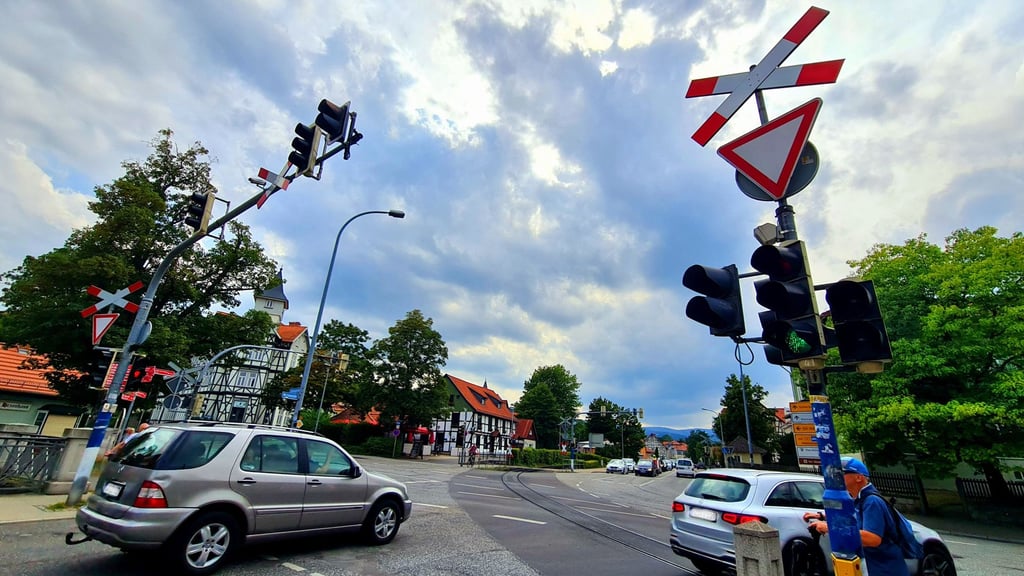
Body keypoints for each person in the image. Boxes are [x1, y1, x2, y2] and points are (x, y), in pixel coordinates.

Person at [805, 457, 909, 576]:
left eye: (841, 473)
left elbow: (873, 539)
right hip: (873, 564)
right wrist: (821, 516)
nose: (835, 476)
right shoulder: (858, 499)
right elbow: (851, 517)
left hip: (883, 568)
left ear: (859, 477)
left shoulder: (871, 501)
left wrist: (830, 528)